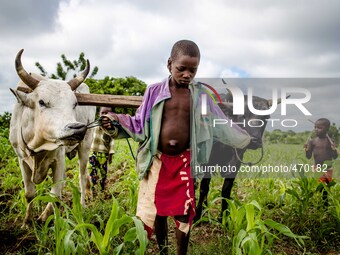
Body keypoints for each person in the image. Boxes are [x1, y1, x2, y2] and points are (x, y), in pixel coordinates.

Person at [101, 40, 251, 254]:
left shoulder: (200, 97)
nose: (187, 74)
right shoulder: (154, 91)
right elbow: (139, 123)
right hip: (158, 161)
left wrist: (245, 138)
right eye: (182, 68)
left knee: (184, 213)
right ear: (169, 64)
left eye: (193, 70)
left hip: (185, 162)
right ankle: (163, 250)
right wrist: (115, 120)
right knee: (159, 211)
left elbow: (220, 124)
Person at [304, 118, 338, 205]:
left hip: (328, 168)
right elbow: (308, 157)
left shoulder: (330, 142)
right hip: (317, 168)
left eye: (319, 127)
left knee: (327, 187)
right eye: (315, 127)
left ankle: (324, 204)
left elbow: (335, 157)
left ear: (327, 129)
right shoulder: (312, 141)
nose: (316, 129)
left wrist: (334, 149)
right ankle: (321, 203)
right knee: (320, 187)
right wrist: (306, 149)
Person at [88, 106, 116, 191]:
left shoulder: (110, 128)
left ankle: (102, 187)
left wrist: (110, 155)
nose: (105, 115)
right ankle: (93, 187)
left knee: (103, 172)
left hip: (103, 154)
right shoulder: (93, 125)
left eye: (107, 113)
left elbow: (111, 142)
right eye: (103, 113)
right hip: (92, 152)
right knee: (91, 170)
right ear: (99, 114)